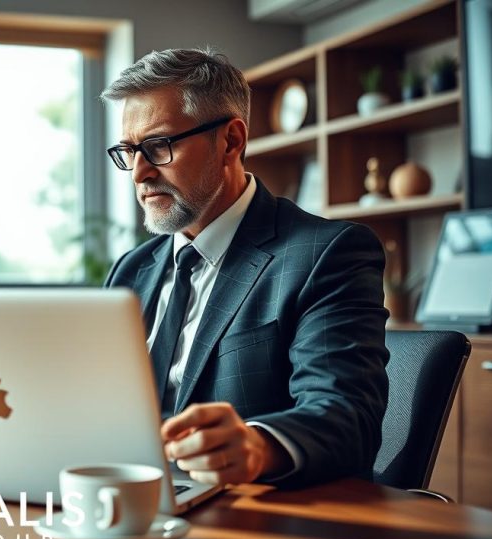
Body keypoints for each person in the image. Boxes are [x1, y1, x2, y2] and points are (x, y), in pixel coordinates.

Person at [101, 48, 388, 489]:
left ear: (231, 141)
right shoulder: (131, 271)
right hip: (131, 503)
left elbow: (347, 416)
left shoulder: (327, 254)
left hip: (257, 518)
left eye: (158, 146)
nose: (138, 173)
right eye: (128, 150)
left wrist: (259, 446)